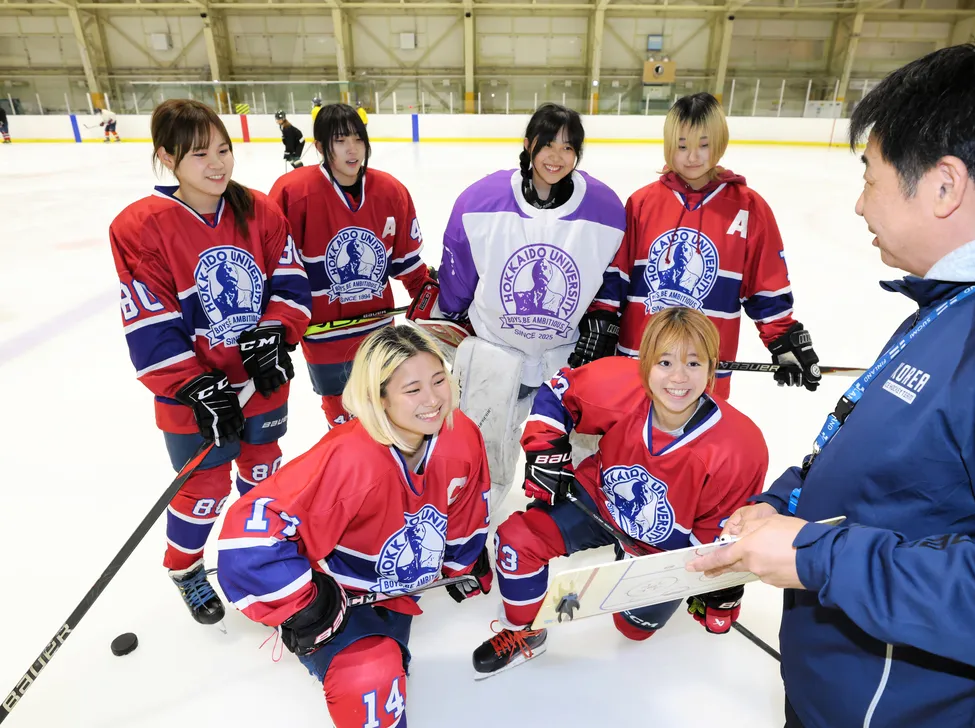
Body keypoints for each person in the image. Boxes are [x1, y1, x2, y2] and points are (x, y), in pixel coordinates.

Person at [688, 42, 975, 728]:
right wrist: (784, 501)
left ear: (944, 186)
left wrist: (813, 553)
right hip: (840, 691)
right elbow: (894, 476)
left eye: (871, 178)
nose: (859, 206)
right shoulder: (950, 309)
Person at [216, 325, 492, 726]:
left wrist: (463, 560)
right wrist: (305, 605)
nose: (434, 400)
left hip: (395, 590)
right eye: (412, 390)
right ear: (376, 397)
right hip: (339, 596)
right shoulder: (351, 460)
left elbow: (465, 505)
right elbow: (246, 535)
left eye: (439, 380)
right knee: (371, 674)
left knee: (385, 668)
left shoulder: (460, 433)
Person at [471, 306, 768, 677]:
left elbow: (720, 536)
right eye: (665, 362)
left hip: (664, 546)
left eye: (694, 364)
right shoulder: (619, 385)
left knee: (632, 630)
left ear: (712, 369)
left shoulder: (739, 447)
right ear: (644, 364)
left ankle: (629, 562)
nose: (678, 377)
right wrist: (546, 448)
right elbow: (558, 393)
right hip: (600, 502)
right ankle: (525, 632)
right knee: (517, 540)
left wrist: (718, 583)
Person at [108, 99, 312, 625]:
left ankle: (256, 547)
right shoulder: (140, 227)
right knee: (204, 487)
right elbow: (148, 320)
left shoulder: (260, 210)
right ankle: (185, 568)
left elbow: (290, 282)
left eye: (223, 149)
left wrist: (273, 333)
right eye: (200, 154)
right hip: (192, 396)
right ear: (166, 158)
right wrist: (195, 386)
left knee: (264, 471)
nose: (218, 164)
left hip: (260, 379)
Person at [436, 102, 626, 507]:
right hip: (494, 352)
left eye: (568, 147)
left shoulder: (606, 210)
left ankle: (556, 524)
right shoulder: (480, 200)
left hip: (564, 355)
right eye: (548, 145)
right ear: (527, 145)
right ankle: (472, 529)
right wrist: (452, 309)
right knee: (483, 453)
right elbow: (459, 267)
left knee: (565, 457)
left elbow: (613, 273)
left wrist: (604, 320)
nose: (557, 157)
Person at [609, 93, 819, 399]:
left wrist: (783, 338)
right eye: (682, 146)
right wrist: (602, 324)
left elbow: (765, 285)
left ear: (719, 142)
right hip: (638, 360)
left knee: (698, 445)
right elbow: (618, 277)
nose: (693, 157)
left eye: (704, 145)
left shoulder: (749, 207)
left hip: (703, 370)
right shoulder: (642, 204)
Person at [269, 103, 434, 428]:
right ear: (319, 147)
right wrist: (276, 326)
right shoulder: (293, 193)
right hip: (323, 338)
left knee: (386, 415)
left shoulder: (390, 192)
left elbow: (408, 265)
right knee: (344, 424)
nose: (352, 149)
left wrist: (435, 300)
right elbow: (275, 272)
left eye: (358, 139)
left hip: (378, 332)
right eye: (340, 140)